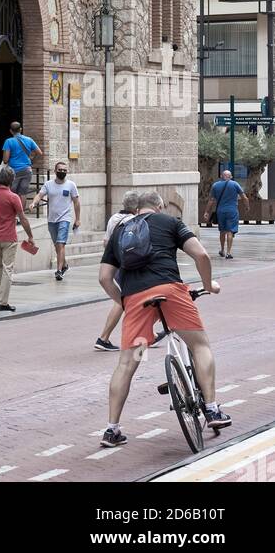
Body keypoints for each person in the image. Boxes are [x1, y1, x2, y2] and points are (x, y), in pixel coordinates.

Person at [98, 189, 230, 448]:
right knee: (199, 345)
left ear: (137, 209)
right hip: (170, 292)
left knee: (127, 363)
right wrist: (208, 285)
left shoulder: (120, 232)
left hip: (136, 301)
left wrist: (124, 300)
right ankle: (213, 409)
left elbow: (104, 278)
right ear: (159, 206)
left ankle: (112, 429)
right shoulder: (170, 222)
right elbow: (201, 255)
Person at [94, 191, 139, 351]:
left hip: (114, 264)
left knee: (127, 299)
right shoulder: (134, 220)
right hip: (127, 265)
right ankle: (104, 337)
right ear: (137, 207)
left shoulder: (114, 218)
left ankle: (148, 333)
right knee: (123, 301)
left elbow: (106, 242)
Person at [0, 165, 35, 312]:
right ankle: (3, 302)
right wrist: (30, 236)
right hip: (8, 237)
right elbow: (23, 218)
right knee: (8, 268)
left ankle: (0, 298)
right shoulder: (14, 197)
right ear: (12, 180)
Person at [31, 161, 80, 280]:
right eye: (60, 170)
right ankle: (64, 265)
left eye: (64, 170)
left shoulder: (71, 185)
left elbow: (76, 202)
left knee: (60, 243)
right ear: (55, 171)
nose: (62, 172)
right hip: (52, 220)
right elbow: (40, 195)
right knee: (57, 246)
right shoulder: (48, 184)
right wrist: (33, 203)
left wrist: (78, 219)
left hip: (65, 219)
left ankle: (58, 271)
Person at [203, 169, 247, 260]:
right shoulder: (235, 184)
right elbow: (244, 197)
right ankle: (228, 252)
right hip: (232, 211)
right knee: (230, 231)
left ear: (221, 176)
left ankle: (222, 250)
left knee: (222, 231)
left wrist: (207, 212)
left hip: (220, 211)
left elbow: (211, 200)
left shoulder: (215, 185)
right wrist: (247, 206)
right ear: (230, 177)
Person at [1, 121, 41, 207]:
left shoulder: (8, 141)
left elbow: (5, 160)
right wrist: (32, 162)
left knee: (12, 192)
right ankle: (21, 214)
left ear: (11, 131)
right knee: (23, 192)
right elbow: (39, 153)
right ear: (21, 129)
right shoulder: (29, 140)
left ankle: (13, 213)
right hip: (27, 170)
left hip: (14, 171)